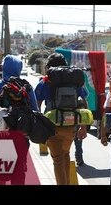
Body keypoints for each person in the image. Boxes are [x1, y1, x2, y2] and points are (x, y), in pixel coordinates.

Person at [0, 54, 38, 185]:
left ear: (4, 68)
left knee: (2, 171)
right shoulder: (26, 86)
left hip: (3, 135)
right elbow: (36, 110)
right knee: (19, 172)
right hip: (22, 135)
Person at [34, 52, 88, 185]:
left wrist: (38, 126)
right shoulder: (74, 81)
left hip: (53, 127)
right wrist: (83, 127)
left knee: (58, 161)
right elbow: (83, 101)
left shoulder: (45, 82)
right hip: (71, 127)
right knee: (65, 155)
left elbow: (36, 105)